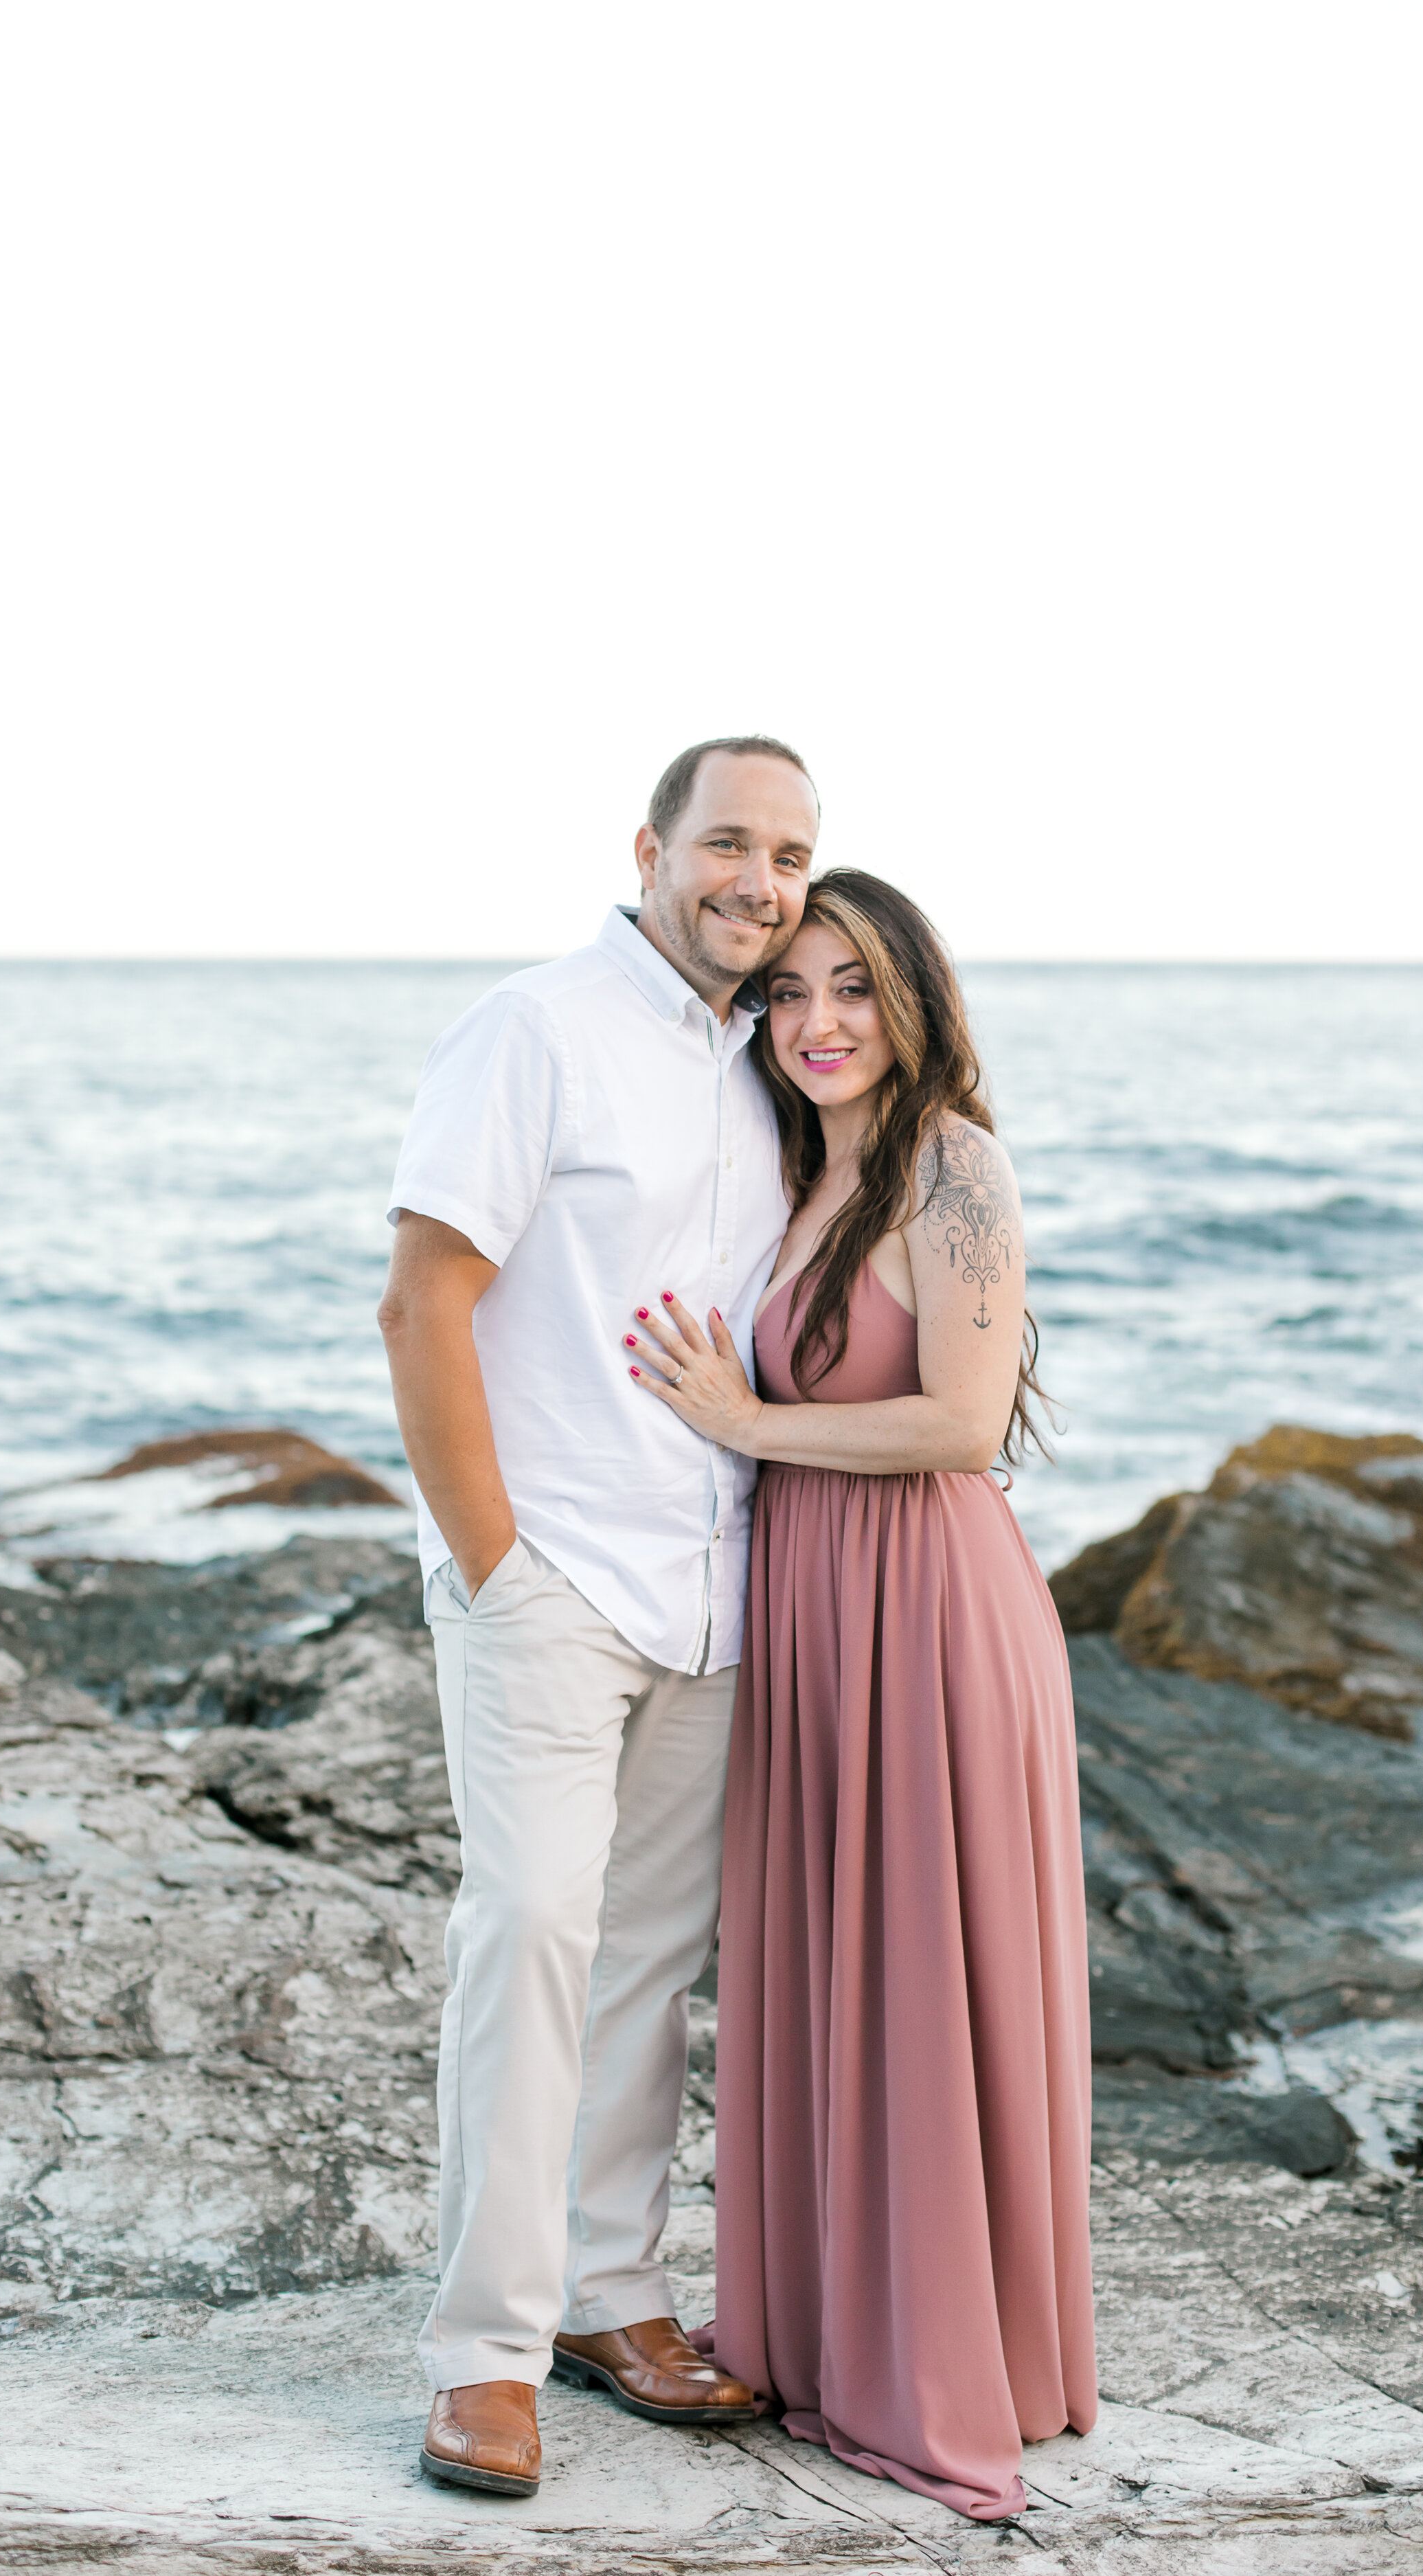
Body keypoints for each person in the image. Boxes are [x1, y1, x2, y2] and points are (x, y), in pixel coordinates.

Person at [377, 736, 820, 2498]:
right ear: (649, 847)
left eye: (790, 855)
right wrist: (492, 1562)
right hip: (551, 1572)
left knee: (644, 1961)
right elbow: (423, 1301)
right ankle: (482, 2353)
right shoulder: (532, 1029)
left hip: (710, 1580)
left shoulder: (767, 1061)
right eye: (728, 842)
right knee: (533, 1931)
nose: (758, 881)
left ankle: (610, 2296)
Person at [625, 869, 1097, 2522]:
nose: (816, 1022)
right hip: (816, 1605)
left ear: (910, 1002)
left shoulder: (950, 1162)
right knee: (826, 1960)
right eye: (789, 992)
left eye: (852, 988)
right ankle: (832, 2338)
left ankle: (941, 2362)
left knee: (915, 1965)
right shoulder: (793, 1174)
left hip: (930, 1604)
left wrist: (746, 1426)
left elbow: (962, 1425)